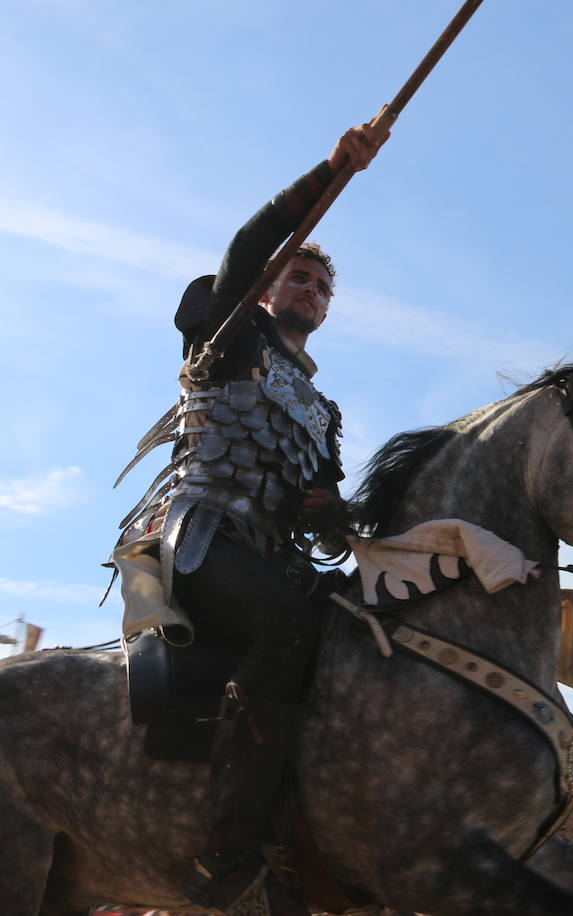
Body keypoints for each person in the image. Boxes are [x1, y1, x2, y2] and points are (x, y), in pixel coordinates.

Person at [110, 116, 387, 915]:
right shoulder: (233, 339)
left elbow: (326, 524)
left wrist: (336, 515)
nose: (310, 291)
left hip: (272, 553)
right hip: (200, 536)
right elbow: (242, 245)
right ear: (270, 288)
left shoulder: (323, 410)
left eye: (322, 287)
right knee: (289, 626)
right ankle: (233, 844)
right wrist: (330, 172)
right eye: (298, 277)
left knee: (354, 632)